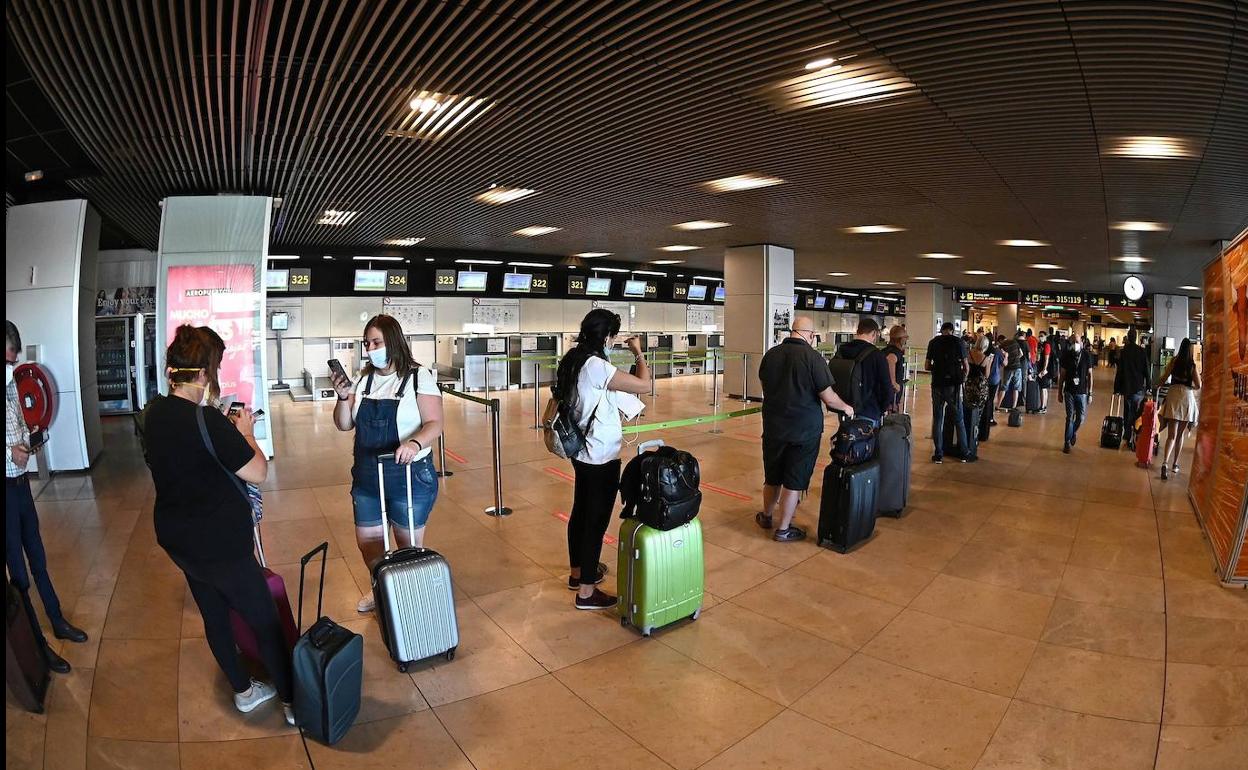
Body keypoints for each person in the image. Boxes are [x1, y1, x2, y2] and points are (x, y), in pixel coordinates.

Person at [142, 325, 292, 723]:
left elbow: (184, 458)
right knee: (265, 620)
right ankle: (293, 700)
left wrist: (221, 430)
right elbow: (257, 472)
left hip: (180, 540)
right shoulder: (207, 419)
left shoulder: (154, 414)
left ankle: (243, 691)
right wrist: (246, 434)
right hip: (221, 545)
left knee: (214, 614)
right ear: (205, 373)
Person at [329, 314, 444, 614]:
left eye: (376, 342)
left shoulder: (418, 377)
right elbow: (344, 424)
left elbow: (434, 423)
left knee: (408, 546)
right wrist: (343, 398)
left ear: (393, 341)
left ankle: (411, 598)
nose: (370, 349)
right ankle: (381, 587)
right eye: (367, 343)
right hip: (368, 476)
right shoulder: (362, 380)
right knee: (369, 542)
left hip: (408, 475)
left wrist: (414, 443)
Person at [552, 309, 651, 608]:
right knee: (595, 520)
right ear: (607, 336)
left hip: (580, 450)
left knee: (581, 511)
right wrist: (638, 353)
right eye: (613, 336)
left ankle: (578, 573)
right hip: (600, 453)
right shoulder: (596, 365)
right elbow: (644, 385)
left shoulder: (573, 358)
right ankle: (586, 592)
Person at [6, 321, 86, 677]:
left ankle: (56, 619)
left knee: (38, 557)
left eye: (14, 360)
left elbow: (19, 426)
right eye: (8, 360)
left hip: (22, 486)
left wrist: (31, 439)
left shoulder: (11, 386)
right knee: (19, 572)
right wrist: (9, 452)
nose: (12, 366)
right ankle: (36, 644)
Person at [756, 316, 855, 541]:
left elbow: (765, 386)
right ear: (809, 335)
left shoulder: (771, 355)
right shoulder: (813, 358)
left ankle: (766, 516)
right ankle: (783, 529)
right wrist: (847, 407)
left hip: (773, 427)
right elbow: (828, 397)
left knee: (772, 476)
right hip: (804, 430)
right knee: (794, 479)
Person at [1157, 338, 1201, 480]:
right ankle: (1175, 464)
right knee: (1180, 435)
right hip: (1186, 398)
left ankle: (1165, 463)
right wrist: (1190, 387)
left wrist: (1158, 385)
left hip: (1173, 395)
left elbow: (1164, 377)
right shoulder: (1192, 365)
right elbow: (1199, 385)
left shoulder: (1174, 361)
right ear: (1189, 350)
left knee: (1171, 435)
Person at [926, 322, 969, 463]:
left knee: (938, 419)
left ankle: (938, 454)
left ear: (941, 330)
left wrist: (937, 369)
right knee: (959, 419)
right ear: (952, 330)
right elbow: (966, 366)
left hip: (937, 384)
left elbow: (927, 365)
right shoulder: (959, 342)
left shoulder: (933, 342)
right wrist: (963, 377)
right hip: (953, 386)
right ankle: (964, 452)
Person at [834, 318, 892, 425]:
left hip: (844, 406)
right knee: (866, 435)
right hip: (869, 409)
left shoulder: (842, 350)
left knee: (846, 433)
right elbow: (886, 386)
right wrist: (883, 408)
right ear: (874, 333)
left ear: (858, 331)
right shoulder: (877, 355)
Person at [1114, 328, 1151, 450]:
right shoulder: (1142, 351)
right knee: (1136, 411)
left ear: (1128, 338)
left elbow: (1120, 371)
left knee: (1127, 410)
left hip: (1127, 386)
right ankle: (1134, 434)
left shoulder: (1124, 352)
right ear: (1136, 337)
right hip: (1138, 387)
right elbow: (1146, 370)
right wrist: (1149, 385)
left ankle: (1127, 434)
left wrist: (1116, 387)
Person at [1058, 334, 1094, 453]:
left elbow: (1090, 375)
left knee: (1080, 418)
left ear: (1082, 343)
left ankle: (1072, 432)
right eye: (1073, 342)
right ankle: (1067, 442)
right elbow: (1062, 375)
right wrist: (1059, 392)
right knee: (1069, 417)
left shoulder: (1087, 356)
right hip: (1069, 391)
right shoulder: (1066, 356)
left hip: (1082, 392)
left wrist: (1090, 393)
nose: (1075, 344)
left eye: (1077, 342)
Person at [962, 334, 991, 462]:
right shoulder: (986, 358)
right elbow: (987, 375)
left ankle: (965, 436)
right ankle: (974, 437)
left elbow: (965, 370)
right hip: (981, 388)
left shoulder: (968, 354)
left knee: (967, 410)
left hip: (969, 386)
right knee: (978, 414)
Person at [881, 325, 908, 414]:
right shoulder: (894, 352)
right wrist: (893, 383)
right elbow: (890, 360)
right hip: (891, 394)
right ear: (901, 339)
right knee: (892, 416)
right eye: (906, 337)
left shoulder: (885, 350)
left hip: (884, 390)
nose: (906, 340)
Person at [997, 331, 1027, 411]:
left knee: (1004, 387)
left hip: (1008, 368)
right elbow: (1021, 354)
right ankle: (1014, 407)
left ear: (1000, 340)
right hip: (1018, 367)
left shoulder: (1002, 345)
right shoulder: (1015, 342)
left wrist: (1009, 359)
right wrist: (1016, 359)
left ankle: (998, 406)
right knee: (1016, 388)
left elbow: (1001, 358)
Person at [1035, 331, 1052, 413]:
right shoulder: (1040, 345)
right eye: (1039, 336)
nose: (1040, 337)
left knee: (1043, 388)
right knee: (1043, 388)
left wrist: (1044, 369)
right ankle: (1043, 406)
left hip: (1044, 370)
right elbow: (1038, 357)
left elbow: (1047, 358)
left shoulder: (1047, 345)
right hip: (1040, 368)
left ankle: (1043, 407)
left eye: (1042, 336)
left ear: (1045, 336)